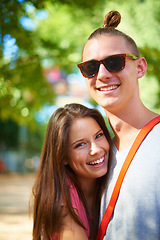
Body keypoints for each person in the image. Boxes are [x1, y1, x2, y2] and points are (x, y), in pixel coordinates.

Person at [77, 10, 160, 240]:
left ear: (140, 68)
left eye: (114, 62)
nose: (102, 75)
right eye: (90, 68)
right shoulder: (91, 155)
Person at [31, 103, 111, 240]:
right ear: (62, 157)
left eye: (99, 136)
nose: (96, 149)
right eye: (80, 144)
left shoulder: (109, 179)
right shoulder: (62, 199)